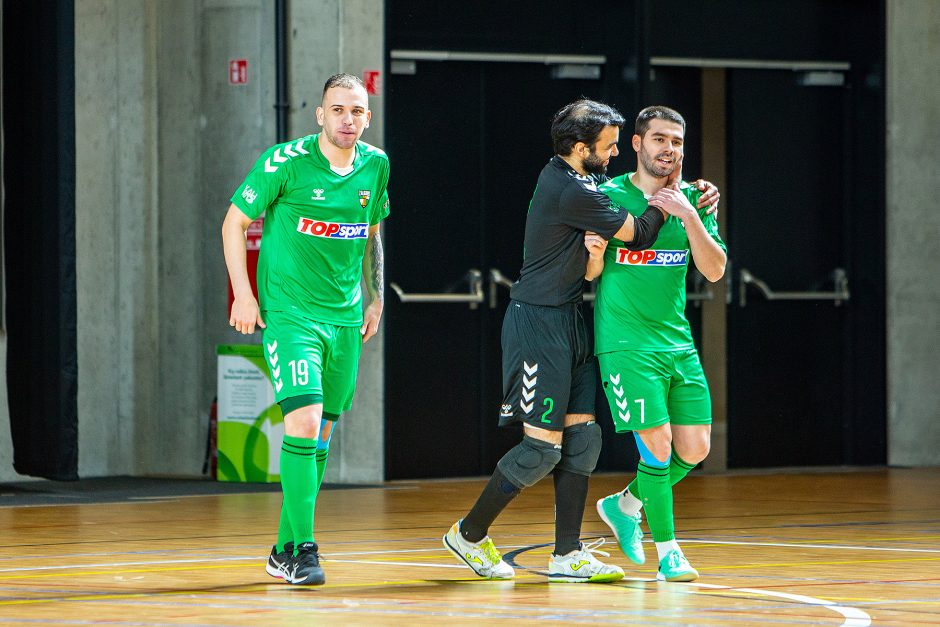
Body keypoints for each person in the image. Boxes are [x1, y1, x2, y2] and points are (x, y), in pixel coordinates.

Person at [443, 99, 716, 583]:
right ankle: (468, 533)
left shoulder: (587, 181)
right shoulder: (570, 188)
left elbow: (600, 261)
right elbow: (637, 234)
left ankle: (567, 552)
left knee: (584, 439)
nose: (612, 154)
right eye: (608, 146)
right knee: (541, 450)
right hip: (537, 324)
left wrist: (694, 197)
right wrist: (670, 201)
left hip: (572, 320)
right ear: (579, 146)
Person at [222, 73, 389, 586]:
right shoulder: (285, 162)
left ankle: (281, 549)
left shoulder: (376, 165)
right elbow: (234, 222)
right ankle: (304, 550)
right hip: (290, 314)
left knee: (321, 434)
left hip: (344, 318)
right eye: (338, 110)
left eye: (357, 111)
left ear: (367, 115)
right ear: (320, 114)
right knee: (303, 418)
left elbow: (372, 235)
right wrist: (244, 294)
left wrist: (376, 293)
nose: (348, 119)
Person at [589, 105, 726, 582]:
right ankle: (669, 551)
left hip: (677, 343)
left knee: (696, 448)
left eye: (678, 142)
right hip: (624, 341)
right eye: (660, 139)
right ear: (638, 144)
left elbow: (713, 270)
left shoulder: (696, 201)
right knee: (659, 446)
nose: (670, 150)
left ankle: (625, 504)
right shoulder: (608, 196)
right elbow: (589, 272)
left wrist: (689, 215)